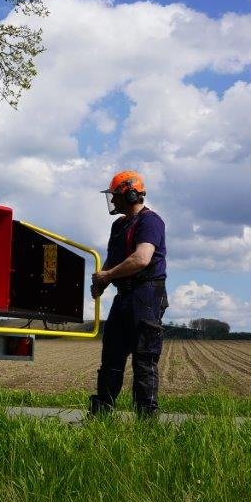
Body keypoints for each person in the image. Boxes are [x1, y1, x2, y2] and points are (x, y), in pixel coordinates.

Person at [88, 170, 167, 417]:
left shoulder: (150, 221)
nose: (112, 201)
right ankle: (101, 417)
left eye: (116, 196)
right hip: (124, 296)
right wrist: (101, 280)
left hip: (147, 295)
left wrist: (108, 276)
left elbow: (141, 259)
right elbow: (113, 259)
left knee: (144, 360)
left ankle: (146, 422)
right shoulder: (119, 225)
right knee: (111, 358)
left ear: (130, 194)